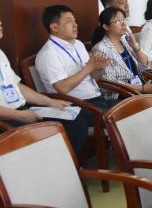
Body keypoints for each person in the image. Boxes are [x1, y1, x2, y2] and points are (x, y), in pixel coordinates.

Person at [0, 16, 90, 158]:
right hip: (6, 119)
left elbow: (17, 86)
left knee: (77, 122)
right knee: (55, 133)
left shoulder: (1, 54)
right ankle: (58, 166)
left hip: (23, 109)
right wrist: (21, 116)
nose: (1, 22)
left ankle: (64, 165)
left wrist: (50, 102)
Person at [92, 6, 152, 130]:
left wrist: (135, 46)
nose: (123, 24)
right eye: (118, 21)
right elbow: (112, 82)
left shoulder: (125, 42)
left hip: (140, 85)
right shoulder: (101, 49)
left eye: (124, 20)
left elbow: (144, 65)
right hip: (122, 93)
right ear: (105, 26)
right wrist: (143, 89)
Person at [35, 5, 114, 112]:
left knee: (134, 108)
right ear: (54, 27)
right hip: (76, 105)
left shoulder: (78, 44)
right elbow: (62, 88)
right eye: (69, 21)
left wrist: (99, 67)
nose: (75, 25)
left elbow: (94, 77)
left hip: (96, 97)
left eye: (74, 21)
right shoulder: (48, 54)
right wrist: (89, 67)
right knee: (120, 116)